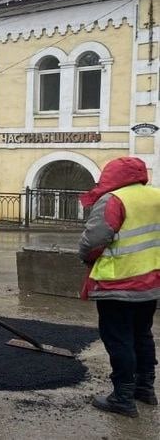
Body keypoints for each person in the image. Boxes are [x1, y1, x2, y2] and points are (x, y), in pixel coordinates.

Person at [78, 156, 160, 417]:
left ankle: (123, 397)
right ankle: (145, 388)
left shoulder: (114, 199)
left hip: (118, 282)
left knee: (119, 338)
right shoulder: (155, 196)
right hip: (151, 281)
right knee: (142, 333)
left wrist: (86, 257)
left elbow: (93, 241)